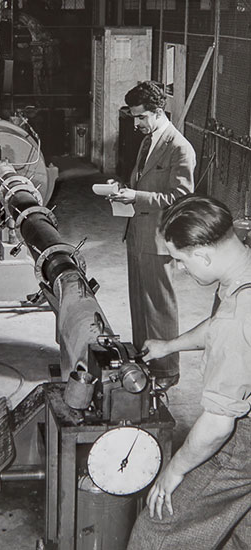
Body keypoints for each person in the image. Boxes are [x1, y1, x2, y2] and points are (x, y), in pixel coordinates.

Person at [127, 195, 251, 550]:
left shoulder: (238, 315)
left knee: (158, 527)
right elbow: (219, 326)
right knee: (238, 530)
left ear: (203, 255)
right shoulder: (243, 269)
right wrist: (169, 346)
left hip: (241, 445)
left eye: (180, 260)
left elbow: (218, 425)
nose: (179, 269)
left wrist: (175, 471)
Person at [109, 81, 196, 388]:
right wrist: (122, 191)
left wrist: (137, 196)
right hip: (137, 233)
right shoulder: (148, 141)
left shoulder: (179, 147)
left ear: (158, 112)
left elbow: (181, 198)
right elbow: (143, 181)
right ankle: (144, 360)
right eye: (134, 117)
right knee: (138, 302)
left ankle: (166, 371)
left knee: (159, 306)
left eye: (141, 117)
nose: (136, 124)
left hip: (159, 238)